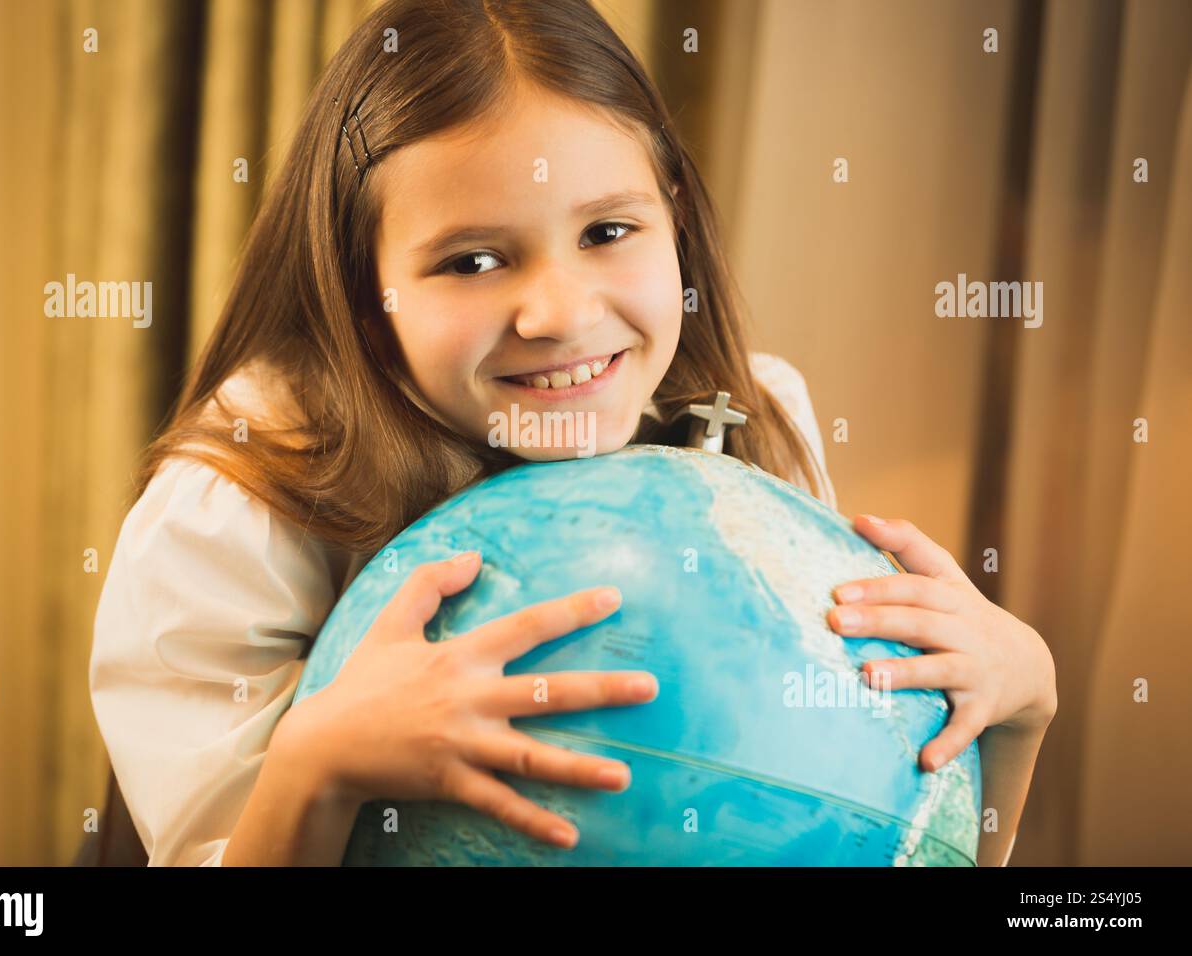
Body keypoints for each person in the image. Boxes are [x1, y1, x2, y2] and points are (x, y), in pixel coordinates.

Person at [89, 0, 1055, 867]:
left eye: (606, 233)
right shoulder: (243, 502)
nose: (557, 313)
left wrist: (1020, 711)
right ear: (360, 288)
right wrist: (316, 767)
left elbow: (883, 828)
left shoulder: (759, 420)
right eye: (471, 260)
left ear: (672, 214)